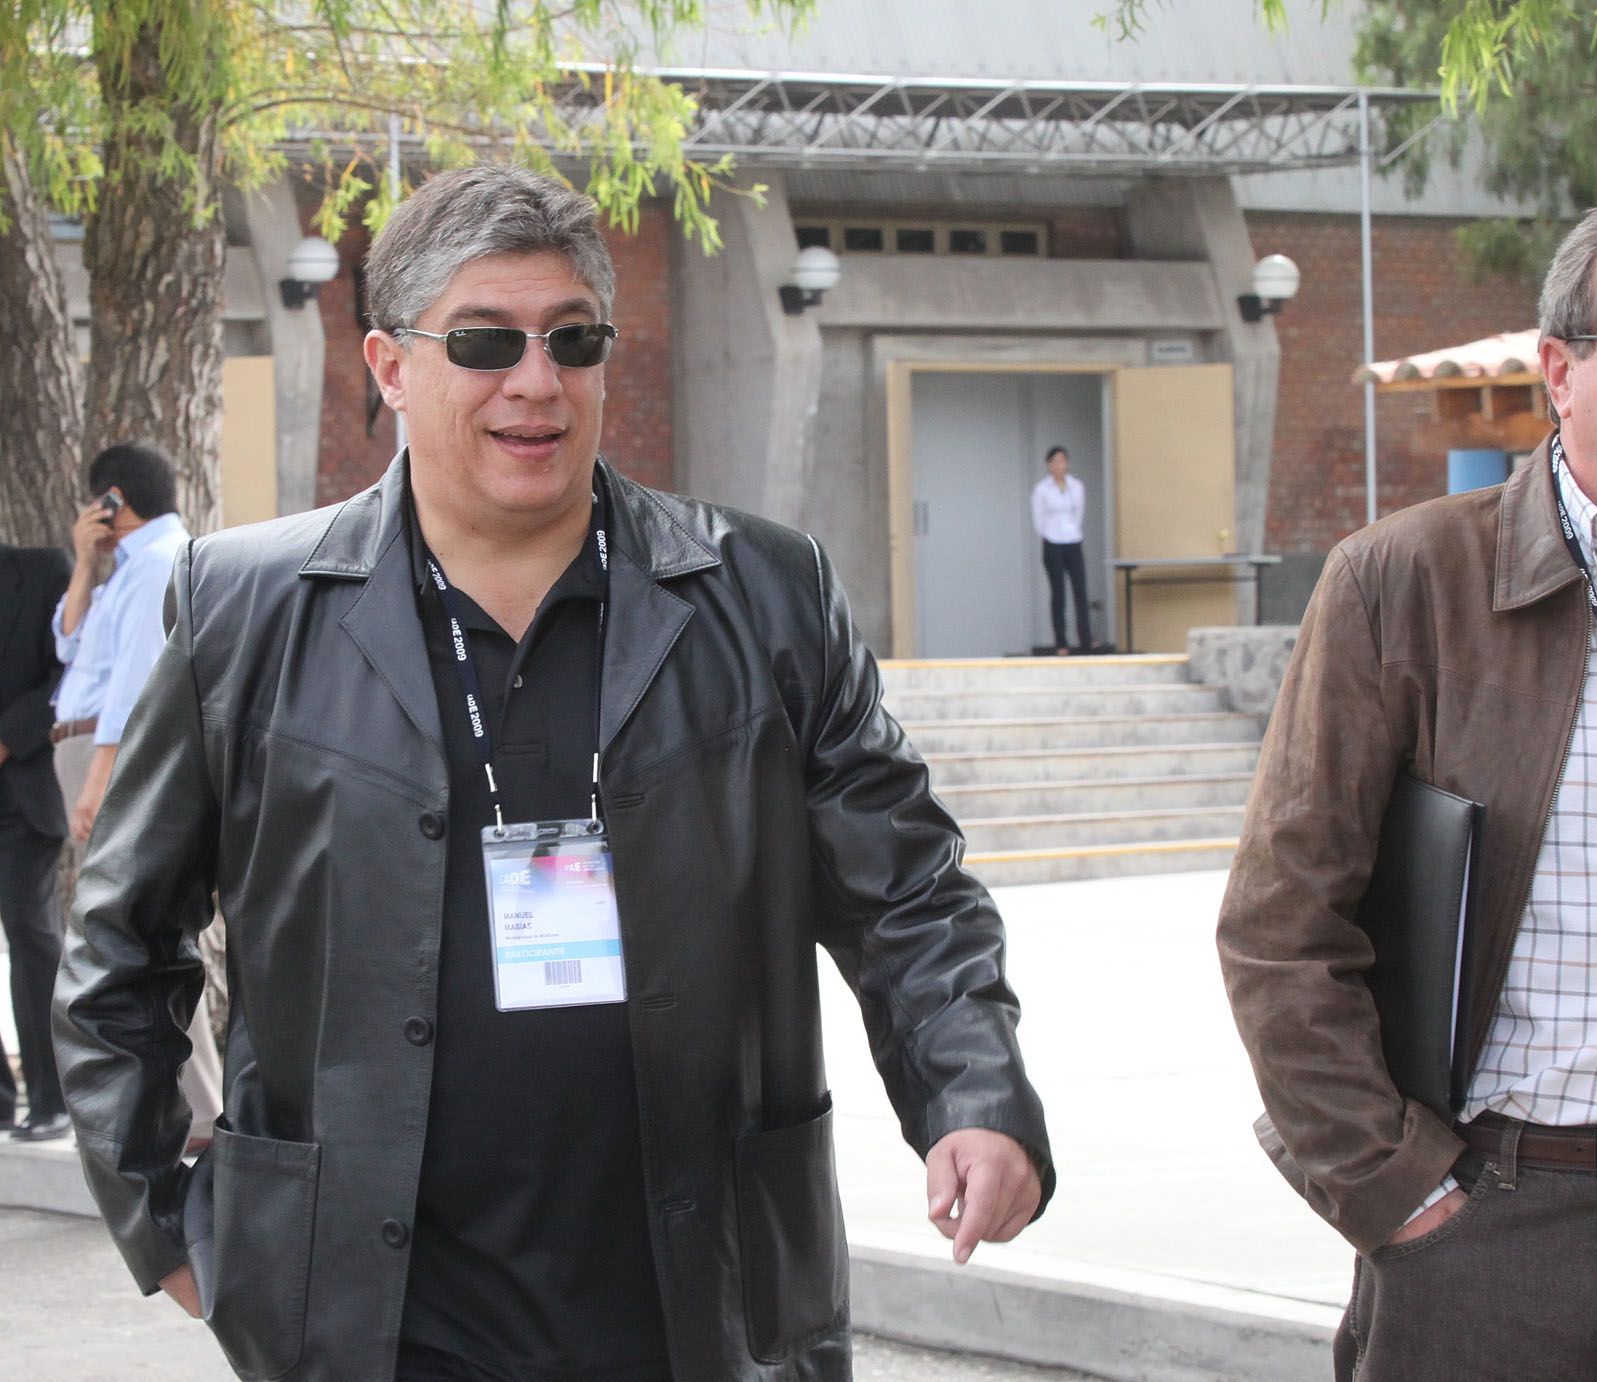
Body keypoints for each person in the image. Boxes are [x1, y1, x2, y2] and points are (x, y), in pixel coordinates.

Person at [56, 163, 1053, 1382]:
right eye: (486, 341)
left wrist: (977, 1091)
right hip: (372, 1325)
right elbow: (117, 943)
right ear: (387, 365)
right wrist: (172, 1217)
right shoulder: (245, 609)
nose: (537, 381)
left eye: (572, 340)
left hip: (707, 1308)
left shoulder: (764, 595)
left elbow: (908, 892)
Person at [1218, 195, 1597, 1382]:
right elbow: (1282, 926)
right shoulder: (1405, 585)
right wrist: (1397, 1187)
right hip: (1491, 1238)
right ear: (1560, 372)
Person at [51, 444, 223, 1149]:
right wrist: (85, 566)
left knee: (138, 932)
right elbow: (67, 646)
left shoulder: (157, 561)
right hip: (88, 746)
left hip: (109, 756)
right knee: (132, 931)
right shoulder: (125, 567)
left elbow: (131, 686)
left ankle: (201, 1112)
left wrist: (96, 780)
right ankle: (185, 1109)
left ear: (113, 500)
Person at [0, 538, 75, 1140]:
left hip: (22, 792)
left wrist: (8, 737)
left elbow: (72, 667)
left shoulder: (42, 570)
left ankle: (52, 1101)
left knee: (31, 935)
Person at [1030, 445, 1093, 654]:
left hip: (1073, 539)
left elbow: (1079, 512)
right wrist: (1049, 534)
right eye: (1055, 462)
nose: (1059, 465)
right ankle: (1061, 642)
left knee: (1080, 589)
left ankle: (1086, 638)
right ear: (1049, 465)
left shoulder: (1076, 486)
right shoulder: (1042, 489)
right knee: (1058, 593)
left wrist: (1072, 530)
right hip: (1052, 541)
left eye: (1062, 461)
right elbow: (1038, 518)